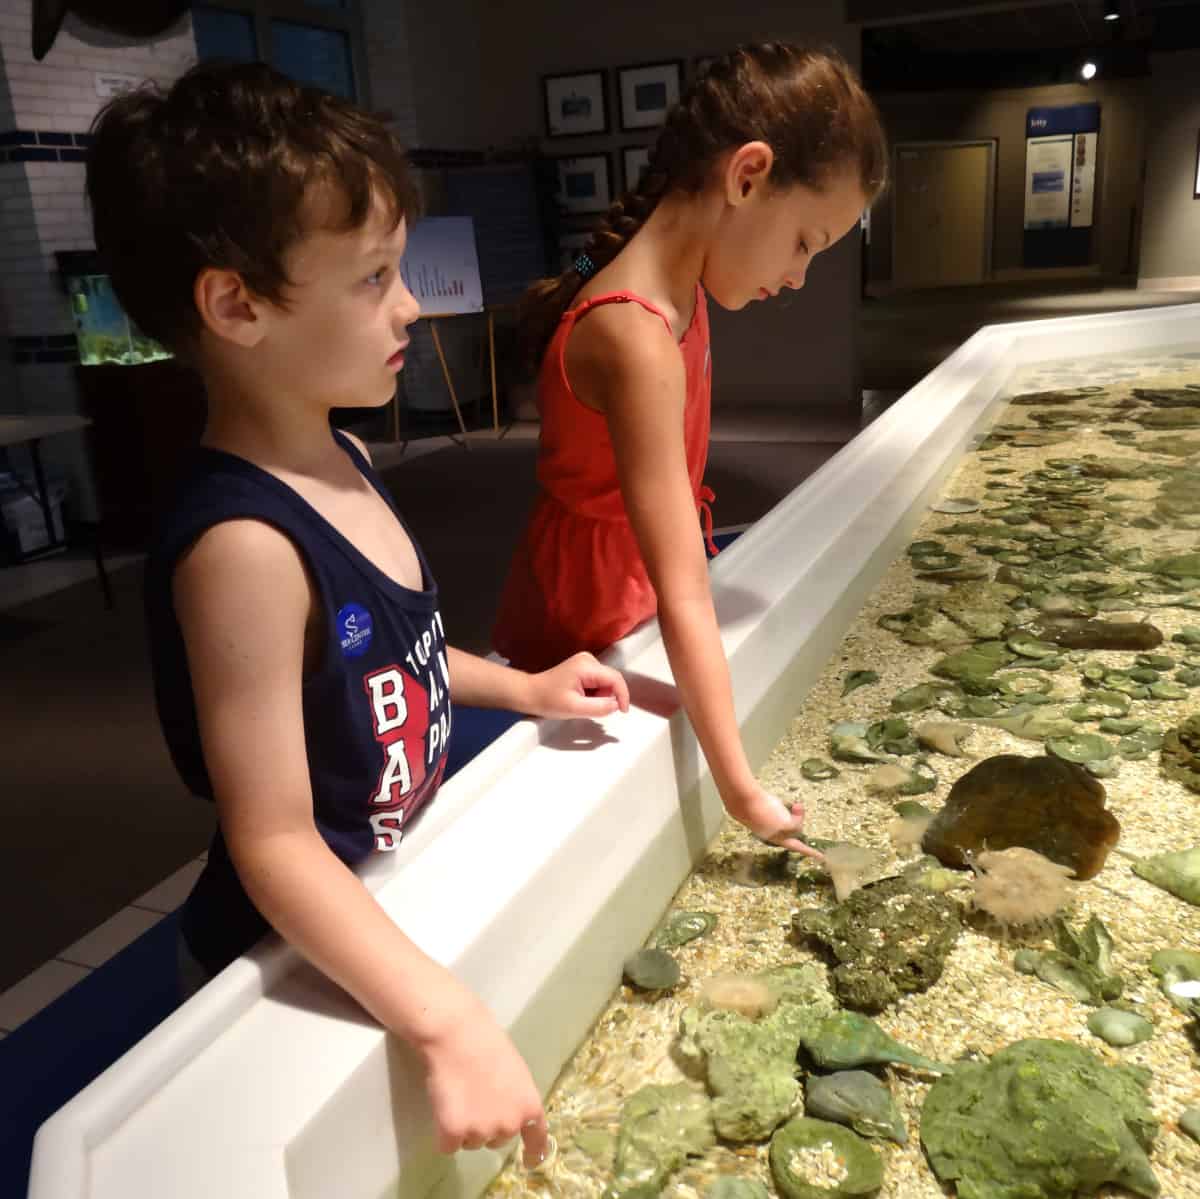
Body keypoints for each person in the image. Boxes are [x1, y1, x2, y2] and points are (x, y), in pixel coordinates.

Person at [85, 61, 630, 1168]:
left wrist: (520, 686)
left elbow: (406, 654)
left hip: (377, 882)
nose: (412, 303)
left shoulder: (341, 449)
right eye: (375, 276)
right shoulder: (245, 547)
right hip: (268, 963)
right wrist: (447, 1017)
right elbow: (274, 838)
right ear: (237, 303)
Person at [493, 43, 887, 858]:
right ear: (747, 176)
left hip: (617, 586)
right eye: (806, 241)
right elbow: (684, 594)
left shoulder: (683, 293)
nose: (800, 275)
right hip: (577, 616)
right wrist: (742, 789)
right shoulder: (634, 336)